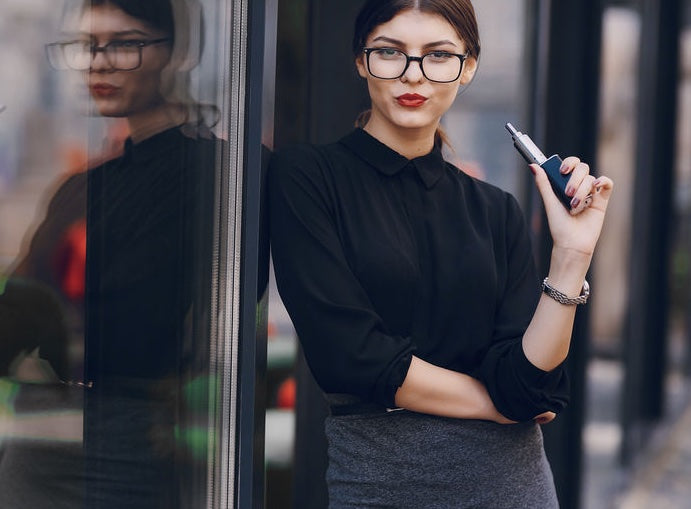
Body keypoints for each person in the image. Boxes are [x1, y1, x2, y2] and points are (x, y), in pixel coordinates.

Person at [268, 0, 614, 507]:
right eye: (390, 52)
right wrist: (497, 405)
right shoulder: (308, 177)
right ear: (361, 60)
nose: (414, 74)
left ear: (467, 67)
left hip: (513, 486)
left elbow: (530, 382)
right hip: (383, 482)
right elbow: (351, 356)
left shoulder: (495, 210)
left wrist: (571, 254)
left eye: (438, 55)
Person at [0, 1, 217, 507]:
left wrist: (49, 325)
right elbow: (16, 320)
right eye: (86, 46)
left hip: (130, 437)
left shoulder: (215, 176)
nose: (99, 62)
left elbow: (135, 327)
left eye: (123, 43)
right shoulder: (82, 187)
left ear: (174, 51)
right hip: (41, 436)